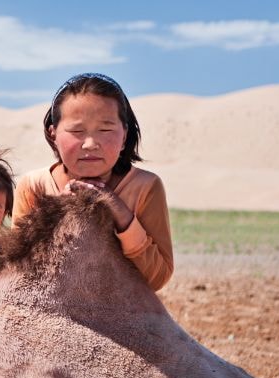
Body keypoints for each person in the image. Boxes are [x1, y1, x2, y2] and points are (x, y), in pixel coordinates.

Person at [13, 72, 173, 290]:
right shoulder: (34, 186)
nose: (90, 144)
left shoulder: (145, 187)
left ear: (124, 136)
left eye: (105, 129)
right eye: (76, 131)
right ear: (53, 134)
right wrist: (56, 215)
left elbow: (157, 278)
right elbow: (18, 270)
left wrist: (121, 214)